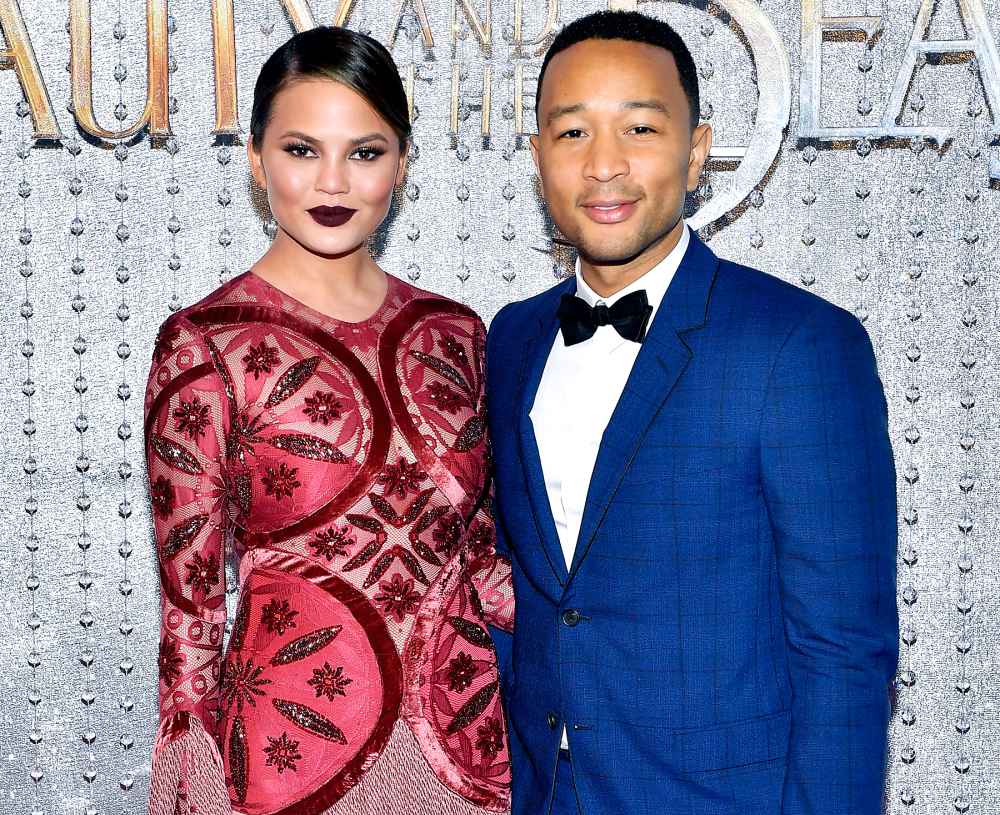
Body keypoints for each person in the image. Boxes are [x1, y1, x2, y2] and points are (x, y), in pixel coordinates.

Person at [485, 10, 898, 815]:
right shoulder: (511, 338)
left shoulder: (799, 345)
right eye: (572, 133)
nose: (605, 165)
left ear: (697, 149)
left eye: (640, 127)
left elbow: (844, 654)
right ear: (538, 160)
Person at [145, 26, 513, 815]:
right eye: (303, 150)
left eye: (366, 151)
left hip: (471, 757)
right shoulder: (206, 344)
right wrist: (194, 786)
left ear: (403, 162)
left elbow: (488, 564)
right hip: (291, 765)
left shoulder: (455, 334)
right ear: (256, 160)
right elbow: (193, 613)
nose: (334, 181)